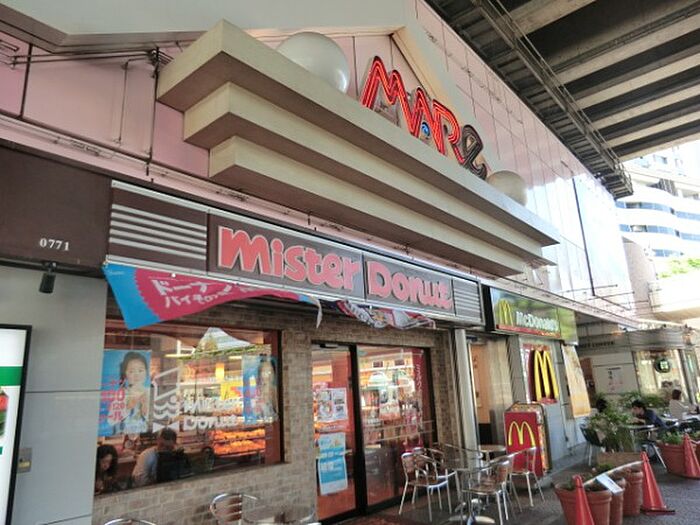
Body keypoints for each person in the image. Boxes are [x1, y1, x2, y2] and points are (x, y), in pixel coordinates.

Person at [109, 351, 150, 435]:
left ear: (146, 372)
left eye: (140, 370)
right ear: (125, 374)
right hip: (123, 433)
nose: (136, 375)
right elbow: (111, 421)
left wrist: (145, 408)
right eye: (131, 371)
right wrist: (128, 407)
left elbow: (154, 420)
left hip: (143, 433)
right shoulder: (121, 394)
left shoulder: (149, 392)